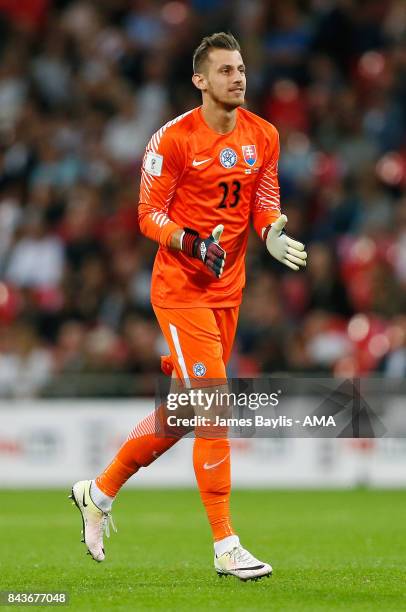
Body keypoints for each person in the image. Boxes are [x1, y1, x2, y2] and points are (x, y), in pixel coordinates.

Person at [70, 32, 307, 582]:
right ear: (200, 80)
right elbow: (148, 214)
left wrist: (270, 230)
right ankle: (226, 544)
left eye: (242, 68)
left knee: (180, 415)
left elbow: (263, 196)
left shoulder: (264, 135)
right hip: (181, 292)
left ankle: (98, 493)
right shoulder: (174, 139)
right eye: (225, 71)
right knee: (214, 407)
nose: (239, 78)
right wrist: (191, 241)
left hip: (229, 291)